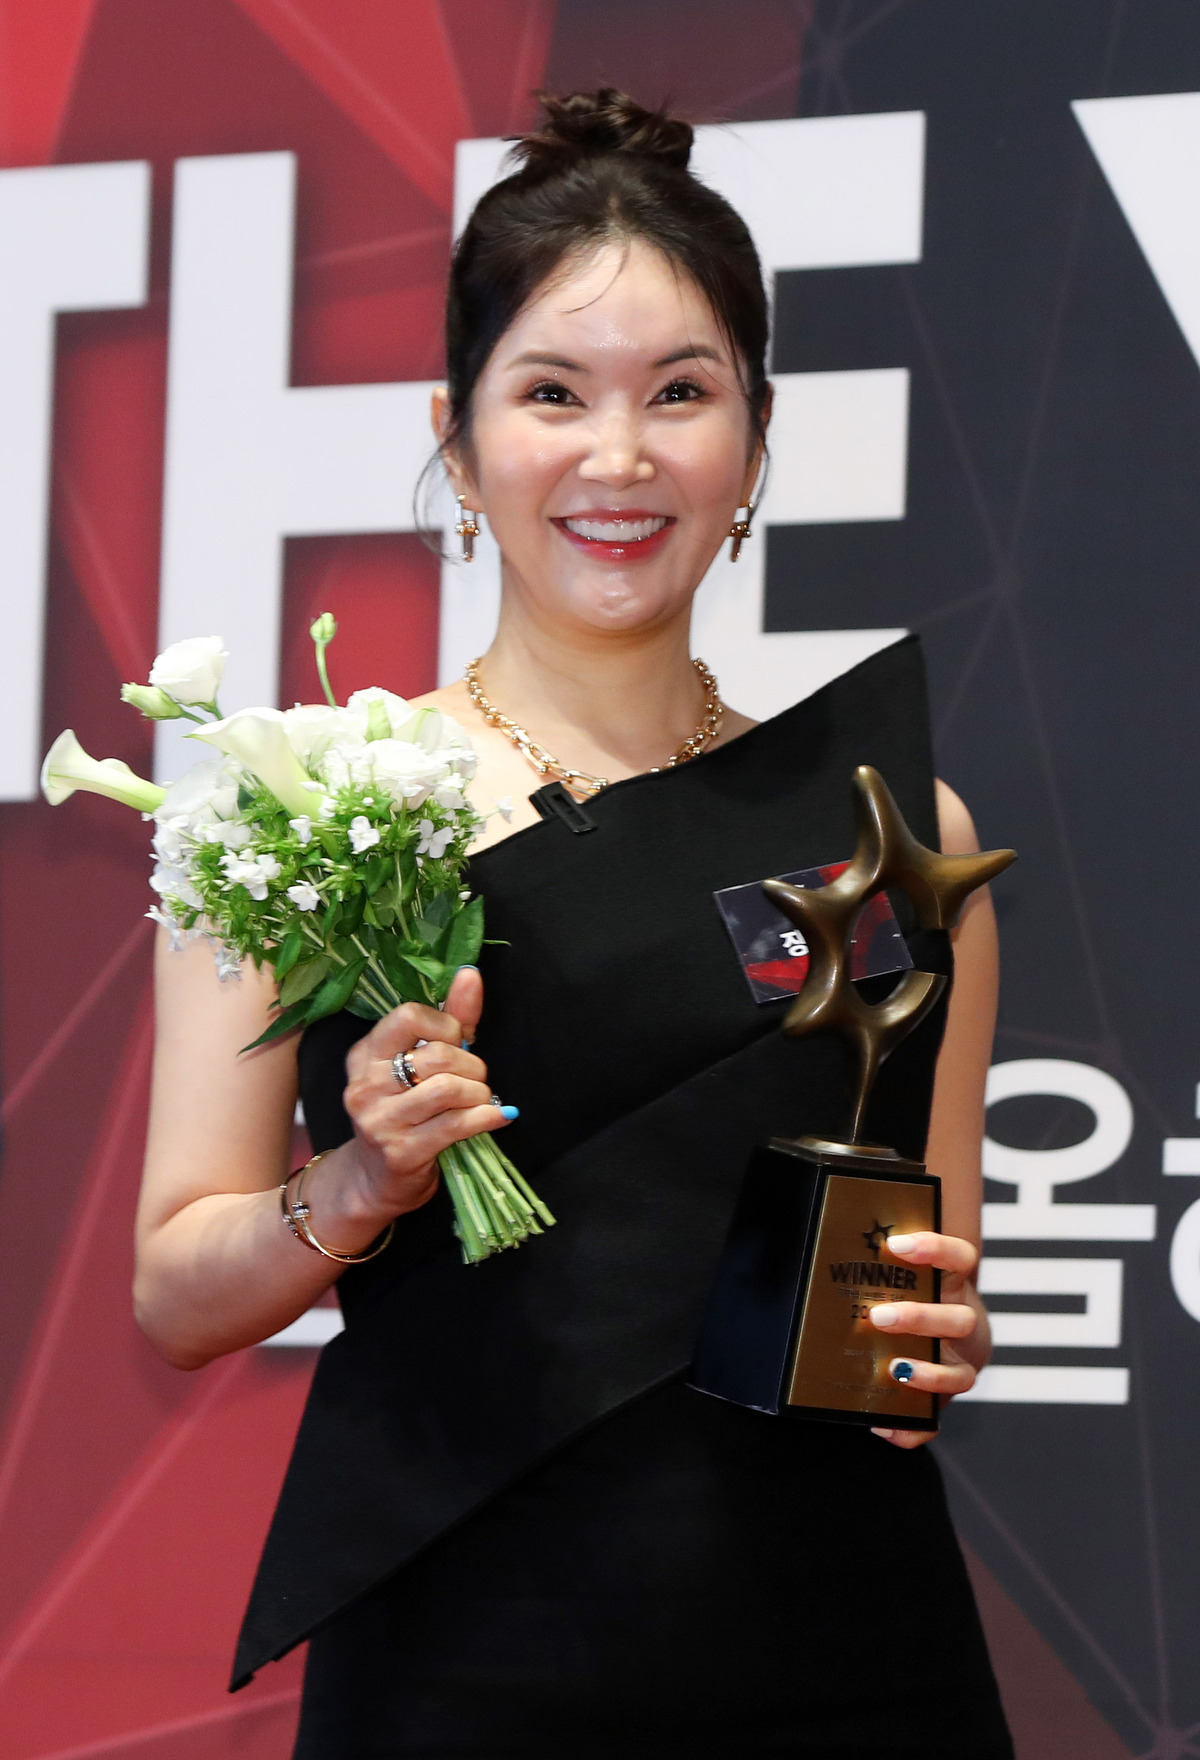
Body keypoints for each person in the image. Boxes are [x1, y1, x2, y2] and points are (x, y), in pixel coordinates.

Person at [135, 90, 1013, 1758]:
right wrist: (360, 1184)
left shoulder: (900, 829)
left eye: (681, 393)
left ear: (753, 441)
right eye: (553, 393)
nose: (620, 459)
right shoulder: (310, 811)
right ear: (459, 442)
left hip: (851, 1647)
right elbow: (178, 1292)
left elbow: (924, 1287)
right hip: (466, 1662)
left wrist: (939, 1338)